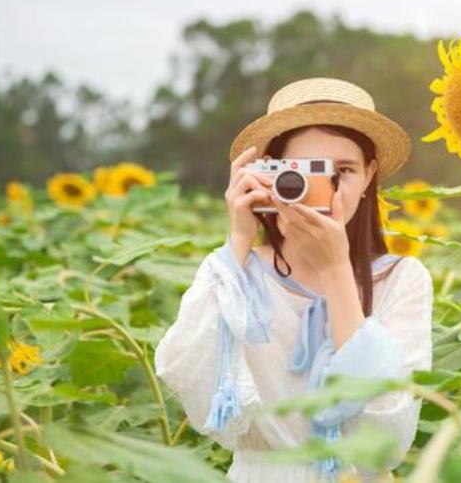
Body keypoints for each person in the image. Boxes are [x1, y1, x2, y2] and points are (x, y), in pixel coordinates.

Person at [154, 77, 434, 483]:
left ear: (370, 175)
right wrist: (240, 239)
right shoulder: (234, 274)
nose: (324, 188)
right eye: (305, 170)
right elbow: (194, 388)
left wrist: (338, 270)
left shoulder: (400, 279)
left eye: (343, 171)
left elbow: (386, 440)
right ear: (269, 172)